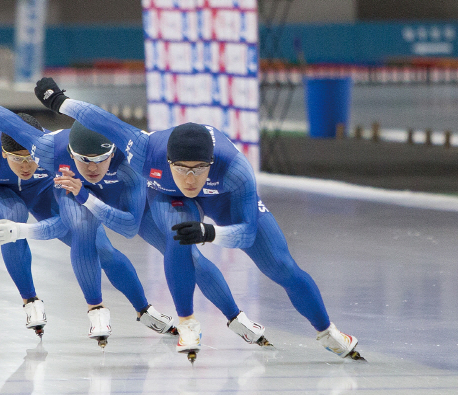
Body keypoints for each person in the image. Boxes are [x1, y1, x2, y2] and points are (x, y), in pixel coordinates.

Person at [31, 77, 364, 361]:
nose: (190, 179)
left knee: (282, 267)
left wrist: (210, 232)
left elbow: (246, 235)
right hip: (167, 196)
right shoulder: (144, 149)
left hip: (224, 200)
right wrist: (59, 100)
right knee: (179, 237)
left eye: (198, 170)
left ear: (211, 165)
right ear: (167, 162)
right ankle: (188, 322)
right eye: (181, 169)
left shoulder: (236, 170)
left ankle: (328, 332)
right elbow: (97, 118)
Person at [0, 106, 175, 342]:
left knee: (98, 246)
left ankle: (144, 309)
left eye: (30, 157)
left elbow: (64, 221)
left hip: (45, 189)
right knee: (11, 222)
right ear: (3, 153)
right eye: (17, 159)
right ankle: (30, 300)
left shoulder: (53, 153)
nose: (26, 165)